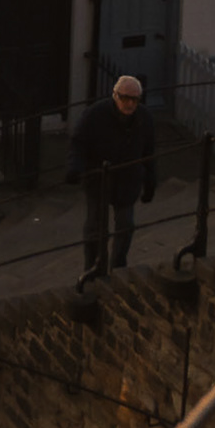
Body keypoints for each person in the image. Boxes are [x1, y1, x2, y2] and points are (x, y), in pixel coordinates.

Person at [81, 71, 156, 282]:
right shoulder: (95, 115)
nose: (130, 104)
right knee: (96, 228)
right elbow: (79, 143)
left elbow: (149, 153)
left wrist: (150, 182)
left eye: (134, 99)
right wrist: (77, 168)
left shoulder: (145, 119)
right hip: (99, 179)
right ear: (115, 95)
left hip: (127, 180)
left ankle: (117, 268)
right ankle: (93, 269)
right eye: (125, 98)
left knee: (125, 225)